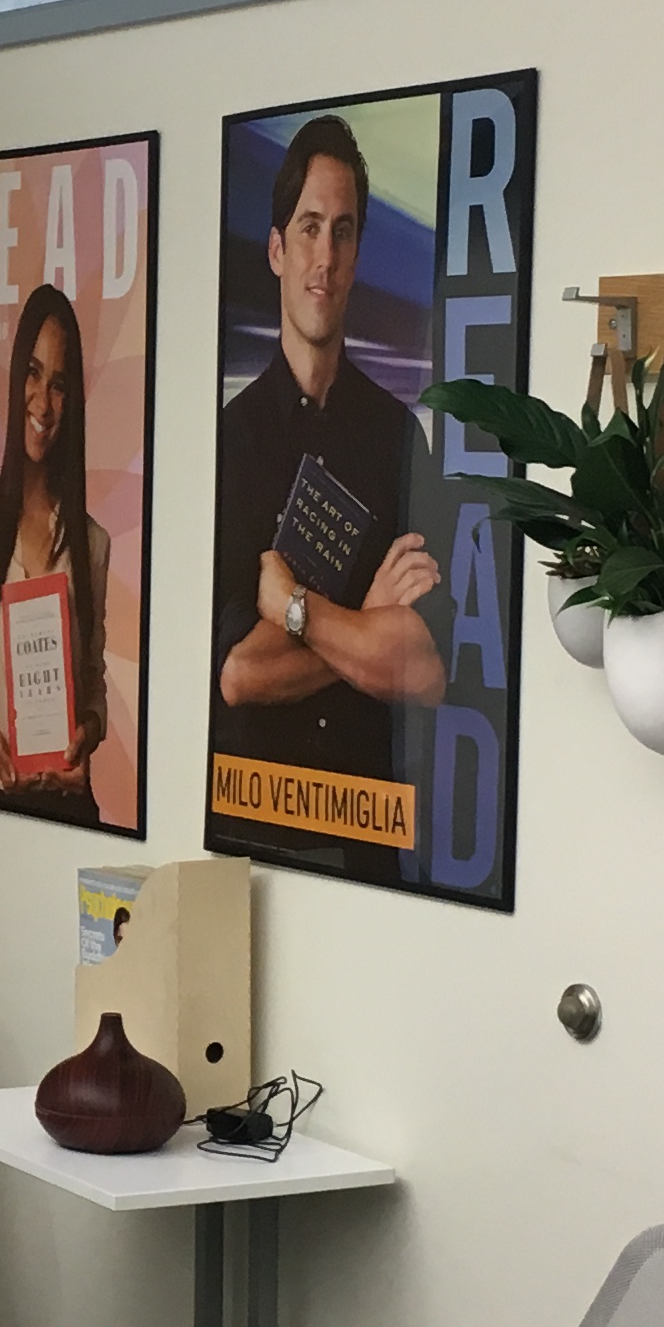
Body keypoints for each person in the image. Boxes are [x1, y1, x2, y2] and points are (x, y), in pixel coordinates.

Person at [211, 114, 444, 869]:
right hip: (253, 843)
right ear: (276, 250)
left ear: (357, 255)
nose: (325, 256)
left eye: (343, 232)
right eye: (309, 228)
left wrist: (294, 612)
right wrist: (368, 620)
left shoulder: (399, 439)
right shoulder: (228, 445)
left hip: (372, 844)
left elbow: (425, 670)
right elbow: (240, 675)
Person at [0, 282, 112, 824]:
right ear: (15, 381)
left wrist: (88, 733)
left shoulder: (94, 546)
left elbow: (94, 681)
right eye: (33, 374)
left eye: (59, 385)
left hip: (74, 809)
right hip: (1, 809)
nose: (43, 402)